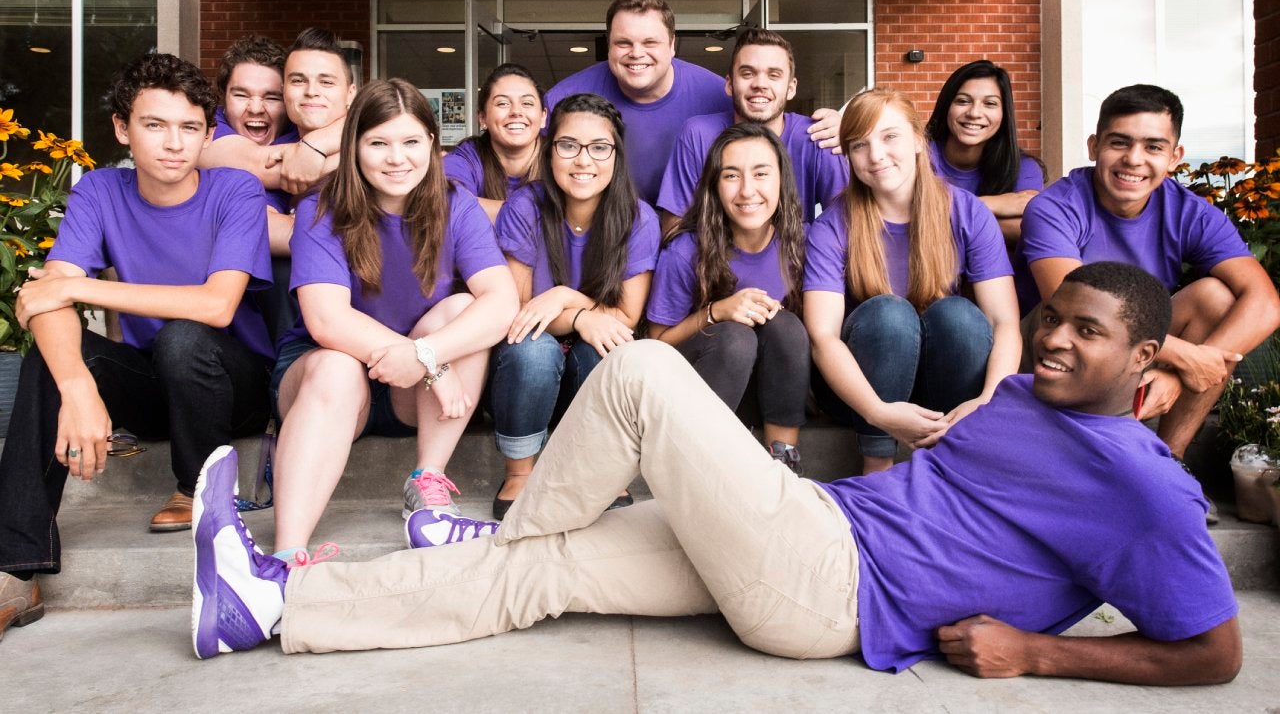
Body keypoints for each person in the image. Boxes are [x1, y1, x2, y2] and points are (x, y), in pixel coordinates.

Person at [191, 262, 1243, 689]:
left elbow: (1215, 652)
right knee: (543, 571)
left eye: (1087, 332)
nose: (1053, 338)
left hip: (833, 585)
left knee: (644, 370)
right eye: (1053, 316)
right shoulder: (1027, 395)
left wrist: (1038, 652)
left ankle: (504, 528)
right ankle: (269, 607)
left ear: (1141, 356)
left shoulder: (1144, 489)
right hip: (810, 527)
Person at [0, 52, 275, 637]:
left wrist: (78, 286)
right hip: (156, 383)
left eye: (190, 128)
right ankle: (14, 569)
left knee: (184, 337)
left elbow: (217, 306)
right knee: (55, 356)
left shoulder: (236, 190)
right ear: (123, 129)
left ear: (208, 134)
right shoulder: (101, 190)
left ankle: (195, 487)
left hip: (236, 387)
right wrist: (78, 387)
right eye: (155, 125)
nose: (174, 143)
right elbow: (47, 298)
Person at [267, 78, 518, 564]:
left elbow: (502, 301)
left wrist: (427, 355)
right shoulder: (321, 208)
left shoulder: (456, 204)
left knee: (462, 311)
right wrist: (432, 364)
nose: (397, 158)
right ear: (354, 146)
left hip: (412, 391)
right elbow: (326, 320)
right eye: (379, 143)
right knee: (337, 366)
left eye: (411, 142)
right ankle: (284, 558)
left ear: (432, 144)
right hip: (327, 380)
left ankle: (428, 490)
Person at [1015, 83, 1280, 461]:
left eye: (1153, 147)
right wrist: (1185, 357)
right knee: (1079, 321)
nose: (1133, 159)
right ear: (1094, 147)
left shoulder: (1190, 213)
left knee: (1214, 298)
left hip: (1131, 350)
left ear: (1174, 156)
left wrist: (1189, 368)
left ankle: (1168, 461)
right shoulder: (1056, 207)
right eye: (1119, 143)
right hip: (1052, 346)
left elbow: (1265, 302)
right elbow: (1075, 307)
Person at [805, 88, 1021, 474]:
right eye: (859, 145)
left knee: (959, 316)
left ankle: (949, 456)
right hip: (862, 392)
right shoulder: (833, 225)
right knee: (890, 314)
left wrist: (987, 400)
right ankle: (877, 470)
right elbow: (823, 338)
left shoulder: (967, 212)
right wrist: (878, 412)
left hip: (940, 386)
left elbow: (1004, 321)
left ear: (919, 140)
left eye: (890, 137)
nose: (876, 155)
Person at [489, 93, 659, 519]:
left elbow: (624, 317)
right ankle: (520, 471)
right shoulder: (525, 206)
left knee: (605, 347)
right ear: (550, 151)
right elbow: (520, 312)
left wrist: (565, 298)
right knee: (533, 349)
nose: (583, 160)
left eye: (599, 147)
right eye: (568, 145)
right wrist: (585, 316)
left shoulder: (638, 218)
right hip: (526, 370)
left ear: (617, 155)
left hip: (587, 360)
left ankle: (600, 468)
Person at [542, 0, 842, 204]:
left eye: (650, 42)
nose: (636, 53)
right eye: (623, 43)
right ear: (608, 45)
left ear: (672, 45)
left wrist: (844, 130)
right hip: (603, 235)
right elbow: (532, 170)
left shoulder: (718, 94)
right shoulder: (564, 100)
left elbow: (767, 116)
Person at [648, 122, 809, 473]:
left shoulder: (802, 242)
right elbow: (656, 346)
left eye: (761, 174)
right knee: (735, 337)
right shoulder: (686, 250)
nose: (747, 190)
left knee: (784, 325)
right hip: (702, 391)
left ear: (781, 180)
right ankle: (699, 466)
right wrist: (716, 312)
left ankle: (783, 463)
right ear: (714, 186)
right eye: (732, 176)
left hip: (775, 392)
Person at [200, 30, 356, 341]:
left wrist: (314, 146)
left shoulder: (299, 136)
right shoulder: (207, 133)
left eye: (271, 97)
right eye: (241, 95)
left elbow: (375, 114)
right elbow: (268, 182)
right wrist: (354, 155)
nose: (256, 108)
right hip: (225, 318)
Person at [656, 28, 849, 232]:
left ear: (791, 88)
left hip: (796, 252)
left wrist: (850, 133)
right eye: (747, 74)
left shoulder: (818, 135)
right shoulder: (698, 135)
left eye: (773, 75)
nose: (760, 84)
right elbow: (674, 229)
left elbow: (846, 226)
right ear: (729, 84)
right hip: (712, 252)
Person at [924, 59, 1045, 242]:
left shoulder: (1023, 167)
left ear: (1004, 113)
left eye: (990, 103)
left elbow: (1030, 229)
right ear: (947, 106)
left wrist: (946, 214)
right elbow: (907, 216)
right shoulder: (918, 158)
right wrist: (998, 204)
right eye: (963, 101)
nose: (974, 113)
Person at [444, 63, 547, 222]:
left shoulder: (560, 156)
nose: (516, 111)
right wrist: (540, 215)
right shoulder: (468, 156)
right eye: (502, 103)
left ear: (543, 116)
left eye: (527, 103)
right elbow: (446, 202)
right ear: (482, 118)